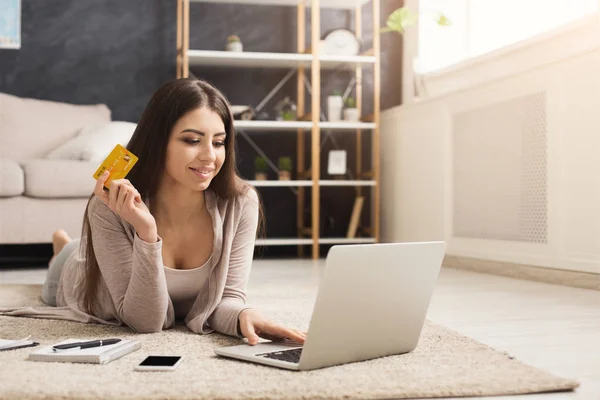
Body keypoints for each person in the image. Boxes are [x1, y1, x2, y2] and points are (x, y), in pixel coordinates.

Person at [1, 78, 305, 346]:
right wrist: (147, 235)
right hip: (79, 275)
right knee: (67, 259)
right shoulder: (108, 208)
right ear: (158, 142)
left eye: (219, 142)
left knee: (79, 246)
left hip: (107, 250)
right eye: (191, 140)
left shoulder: (241, 203)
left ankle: (68, 243)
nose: (209, 157)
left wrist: (245, 315)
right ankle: (61, 248)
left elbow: (227, 300)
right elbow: (145, 322)